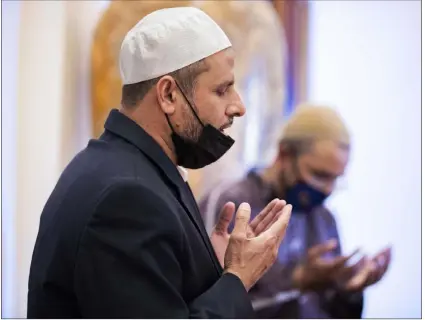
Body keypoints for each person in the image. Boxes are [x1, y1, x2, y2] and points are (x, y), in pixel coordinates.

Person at [27, 7, 293, 319]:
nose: (238, 106)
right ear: (168, 95)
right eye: (222, 89)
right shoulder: (126, 198)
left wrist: (212, 270)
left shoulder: (122, 167)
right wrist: (238, 279)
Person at [199, 104, 392, 318]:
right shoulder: (230, 203)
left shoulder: (324, 218)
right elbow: (208, 306)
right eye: (319, 175)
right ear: (284, 154)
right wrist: (296, 282)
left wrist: (349, 291)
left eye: (336, 179)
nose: (328, 190)